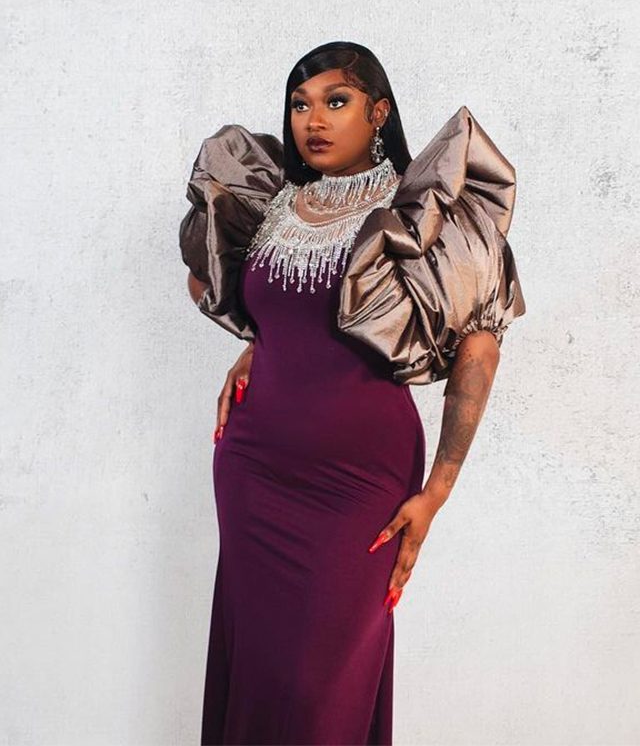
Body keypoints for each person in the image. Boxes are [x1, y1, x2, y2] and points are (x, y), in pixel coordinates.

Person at [179, 40, 526, 746]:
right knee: (264, 671)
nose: (314, 120)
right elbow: (216, 284)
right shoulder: (276, 203)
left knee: (319, 688)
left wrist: (437, 492)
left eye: (336, 101)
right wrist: (261, 345)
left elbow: (480, 347)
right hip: (253, 469)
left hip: (359, 481)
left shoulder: (421, 210)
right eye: (300, 105)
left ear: (379, 113)